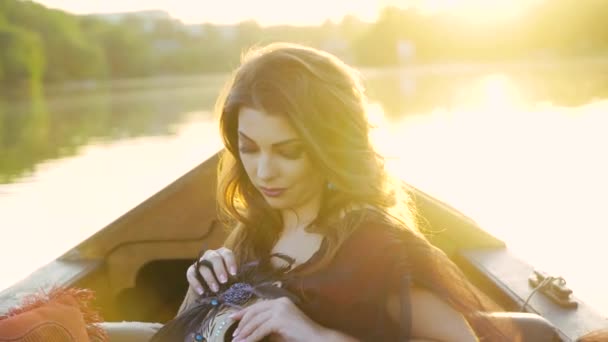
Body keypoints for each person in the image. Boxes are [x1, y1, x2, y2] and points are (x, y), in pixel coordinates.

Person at [156, 42, 516, 342]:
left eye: (289, 151)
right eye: (249, 148)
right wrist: (207, 291)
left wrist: (317, 335)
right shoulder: (254, 233)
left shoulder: (376, 248)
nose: (264, 172)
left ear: (330, 148)